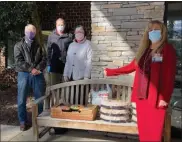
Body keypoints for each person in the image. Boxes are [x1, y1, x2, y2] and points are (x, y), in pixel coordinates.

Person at [104, 20, 176, 142]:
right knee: (144, 133)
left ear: (162, 32)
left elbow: (169, 76)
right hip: (142, 98)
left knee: (154, 135)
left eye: (156, 29)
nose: (153, 32)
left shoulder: (167, 50)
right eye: (151, 30)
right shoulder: (144, 51)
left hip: (156, 99)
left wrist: (165, 98)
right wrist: (110, 71)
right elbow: (131, 67)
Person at [14, 24, 47, 131]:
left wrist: (38, 69)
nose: (31, 33)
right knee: (21, 99)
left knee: (40, 98)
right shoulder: (18, 45)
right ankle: (23, 121)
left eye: (33, 31)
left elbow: (44, 59)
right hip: (24, 74)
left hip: (37, 73)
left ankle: (40, 119)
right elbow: (18, 61)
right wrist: (30, 69)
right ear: (25, 32)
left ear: (35, 32)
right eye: (29, 31)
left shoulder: (39, 45)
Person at [63, 25, 92, 104]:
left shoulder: (88, 44)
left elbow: (90, 61)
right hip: (71, 77)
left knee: (81, 101)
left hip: (81, 78)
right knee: (71, 100)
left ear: (84, 33)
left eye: (81, 31)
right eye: (77, 32)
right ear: (74, 33)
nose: (79, 33)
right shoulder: (71, 45)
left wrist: (87, 76)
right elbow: (68, 61)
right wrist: (65, 74)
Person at [46, 18, 72, 86]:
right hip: (54, 64)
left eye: (62, 25)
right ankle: (54, 97)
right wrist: (48, 63)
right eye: (59, 25)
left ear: (65, 25)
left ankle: (64, 97)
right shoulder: (51, 36)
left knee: (65, 85)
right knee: (54, 85)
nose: (60, 26)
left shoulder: (69, 36)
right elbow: (48, 50)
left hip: (65, 65)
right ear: (56, 25)